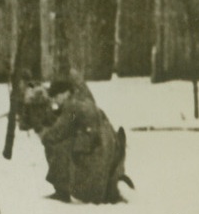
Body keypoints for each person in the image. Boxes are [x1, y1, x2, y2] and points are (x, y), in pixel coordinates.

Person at [29, 76, 131, 204]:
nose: (55, 100)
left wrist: (42, 133)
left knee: (56, 146)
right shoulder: (83, 99)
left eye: (56, 96)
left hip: (96, 151)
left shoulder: (72, 107)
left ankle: (61, 191)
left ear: (66, 93)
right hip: (108, 145)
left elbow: (62, 129)